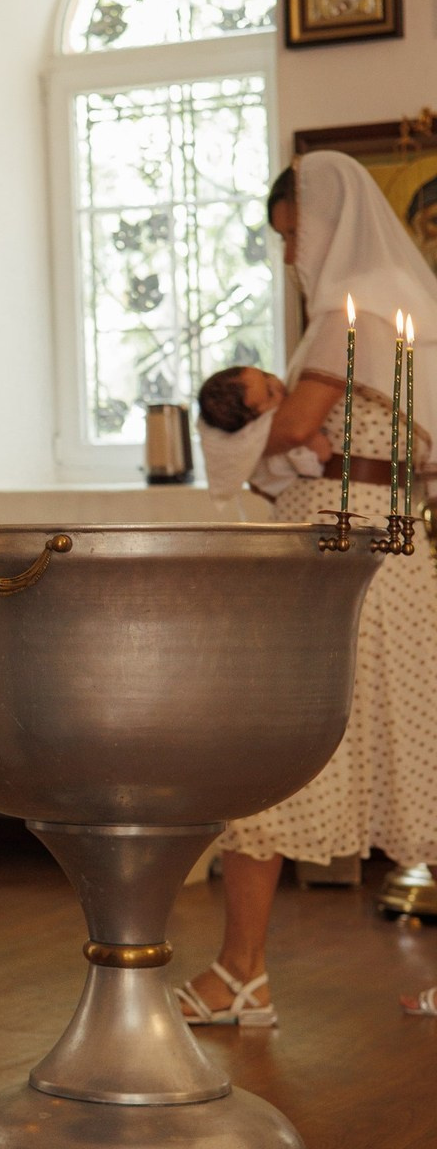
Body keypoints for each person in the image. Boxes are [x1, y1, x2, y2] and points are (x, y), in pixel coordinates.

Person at [177, 150, 437, 1027]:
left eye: (295, 235)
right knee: (419, 747)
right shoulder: (418, 319)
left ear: (327, 221)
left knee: (278, 744)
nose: (292, 255)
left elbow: (291, 427)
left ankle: (238, 974)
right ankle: (237, 972)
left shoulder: (345, 319)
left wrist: (256, 448)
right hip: (401, 546)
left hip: (331, 544)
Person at [196, 364, 333, 508]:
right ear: (254, 418)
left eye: (266, 375)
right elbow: (323, 452)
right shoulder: (267, 427)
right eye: (269, 393)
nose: (276, 383)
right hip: (303, 498)